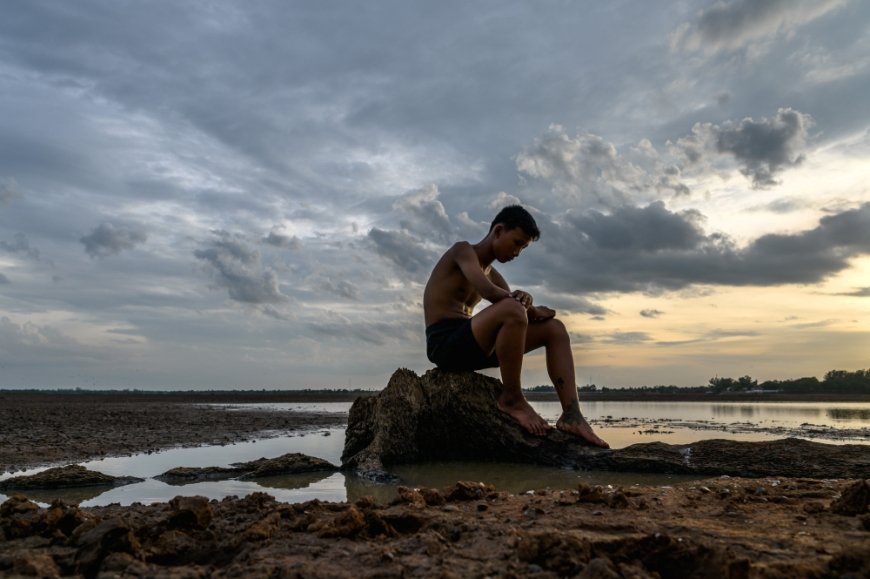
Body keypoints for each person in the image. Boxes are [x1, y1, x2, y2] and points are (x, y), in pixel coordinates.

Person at [423, 205, 609, 447]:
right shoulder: (463, 251)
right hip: (444, 344)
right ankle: (512, 398)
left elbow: (515, 314)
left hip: (472, 346)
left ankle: (572, 416)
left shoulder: (493, 274)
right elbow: (490, 293)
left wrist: (527, 306)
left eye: (523, 248)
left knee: (555, 329)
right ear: (498, 231)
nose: (518, 252)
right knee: (513, 309)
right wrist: (530, 308)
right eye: (517, 243)